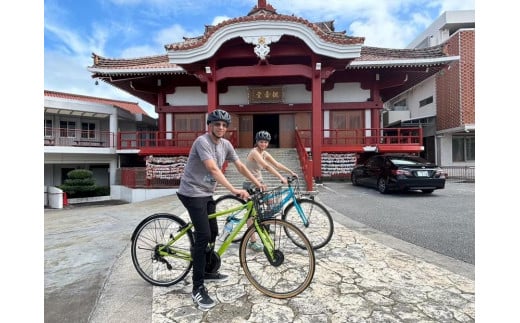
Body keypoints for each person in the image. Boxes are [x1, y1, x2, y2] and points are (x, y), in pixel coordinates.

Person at [177, 109, 266, 310]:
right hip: (191, 192)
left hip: (206, 194)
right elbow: (213, 169)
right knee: (203, 235)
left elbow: (241, 166)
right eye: (217, 124)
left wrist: (257, 183)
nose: (221, 128)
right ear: (210, 125)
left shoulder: (225, 144)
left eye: (224, 125)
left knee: (214, 233)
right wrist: (234, 189)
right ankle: (197, 287)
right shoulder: (202, 142)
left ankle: (208, 271)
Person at [243, 130, 299, 252]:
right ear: (257, 142)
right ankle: (252, 242)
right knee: (251, 214)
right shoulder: (254, 152)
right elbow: (267, 166)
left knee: (271, 203)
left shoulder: (264, 153)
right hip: (250, 185)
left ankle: (265, 225)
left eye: (265, 142)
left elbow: (277, 164)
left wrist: (291, 172)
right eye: (261, 142)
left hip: (260, 184)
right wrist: (280, 177)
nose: (263, 144)